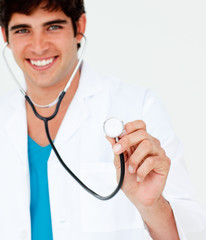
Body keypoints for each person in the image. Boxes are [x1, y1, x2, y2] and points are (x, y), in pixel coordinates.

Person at [0, 0, 205, 239]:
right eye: (23, 30)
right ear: (6, 35)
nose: (38, 46)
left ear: (79, 27)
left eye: (53, 27)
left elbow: (191, 233)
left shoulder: (139, 106)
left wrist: (152, 206)